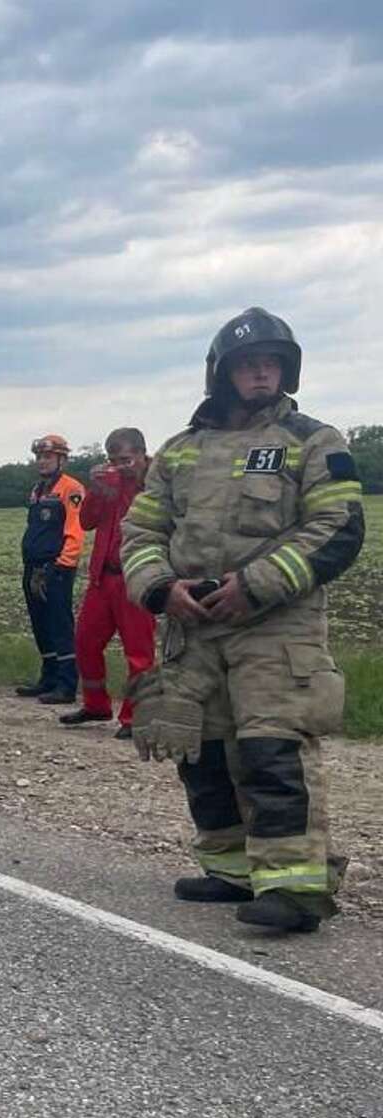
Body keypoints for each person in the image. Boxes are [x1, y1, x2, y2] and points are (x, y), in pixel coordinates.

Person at [122, 308, 364, 933]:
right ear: (222, 372)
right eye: (249, 363)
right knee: (198, 751)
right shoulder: (180, 451)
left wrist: (253, 587)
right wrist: (161, 588)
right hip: (192, 624)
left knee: (271, 749)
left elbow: (338, 527)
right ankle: (230, 869)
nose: (262, 372)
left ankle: (297, 886)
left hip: (274, 626)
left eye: (272, 363)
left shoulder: (314, 440)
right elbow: (142, 529)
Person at [59, 428, 156, 740]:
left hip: (138, 578)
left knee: (138, 653)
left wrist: (124, 489)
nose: (119, 466)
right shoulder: (108, 482)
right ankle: (96, 704)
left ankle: (134, 717)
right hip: (103, 577)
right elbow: (86, 522)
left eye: (126, 460)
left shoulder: (155, 485)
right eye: (113, 460)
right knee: (85, 641)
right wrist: (99, 489)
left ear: (143, 455)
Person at [18, 434, 85, 703]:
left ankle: (67, 684)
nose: (42, 461)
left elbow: (75, 530)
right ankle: (48, 678)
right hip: (33, 565)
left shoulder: (72, 489)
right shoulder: (38, 490)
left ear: (62, 459)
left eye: (48, 456)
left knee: (59, 624)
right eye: (40, 457)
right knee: (40, 623)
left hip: (56, 566)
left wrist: (62, 564)